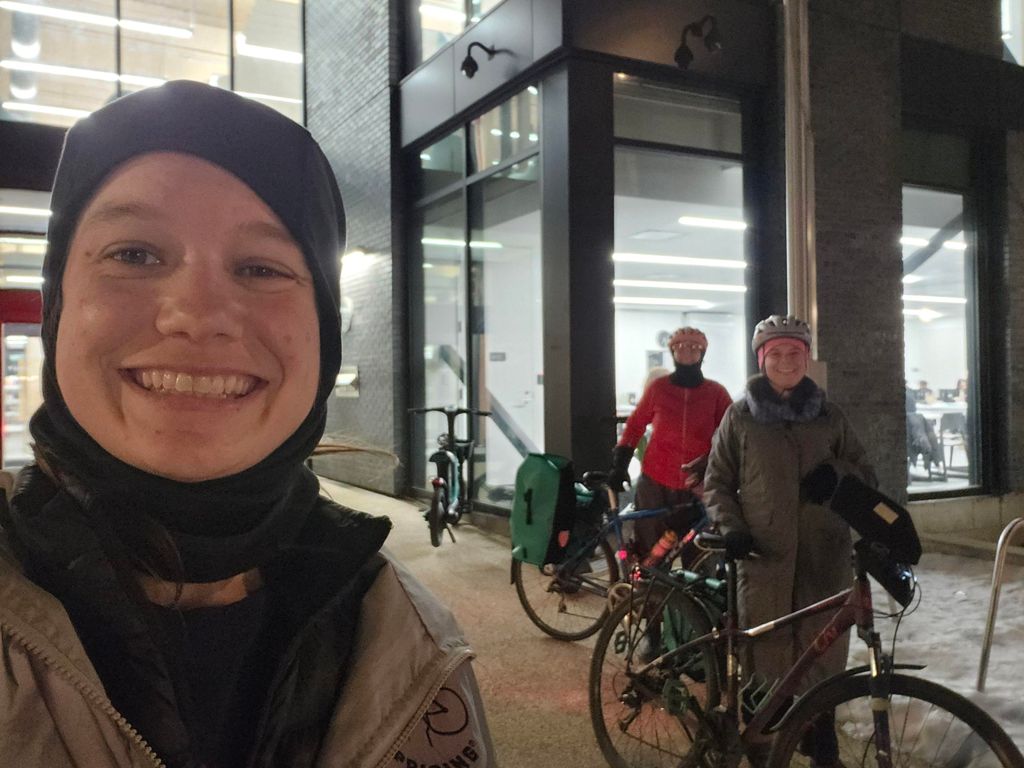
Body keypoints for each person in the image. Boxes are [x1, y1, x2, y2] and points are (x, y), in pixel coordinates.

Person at [0, 81, 493, 768]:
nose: (197, 315)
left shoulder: (415, 642)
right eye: (134, 253)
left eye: (261, 267)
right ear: (57, 306)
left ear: (323, 332)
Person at [703, 314, 876, 768]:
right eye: (775, 353)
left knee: (824, 648)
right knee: (766, 650)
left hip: (824, 553)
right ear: (761, 360)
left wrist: (836, 474)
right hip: (763, 555)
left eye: (794, 353)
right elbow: (716, 482)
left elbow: (865, 473)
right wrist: (732, 528)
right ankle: (764, 742)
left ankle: (821, 738)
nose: (785, 361)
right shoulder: (740, 417)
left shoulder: (829, 416)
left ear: (807, 358)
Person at [609, 327, 733, 558]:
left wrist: (719, 465)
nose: (687, 352)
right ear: (672, 352)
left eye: (694, 348)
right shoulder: (659, 388)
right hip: (655, 479)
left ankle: (693, 580)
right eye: (680, 347)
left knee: (697, 547)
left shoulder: (716, 392)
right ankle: (648, 579)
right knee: (649, 546)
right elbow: (635, 425)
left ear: (702, 354)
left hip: (697, 481)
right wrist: (620, 463)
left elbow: (731, 433)